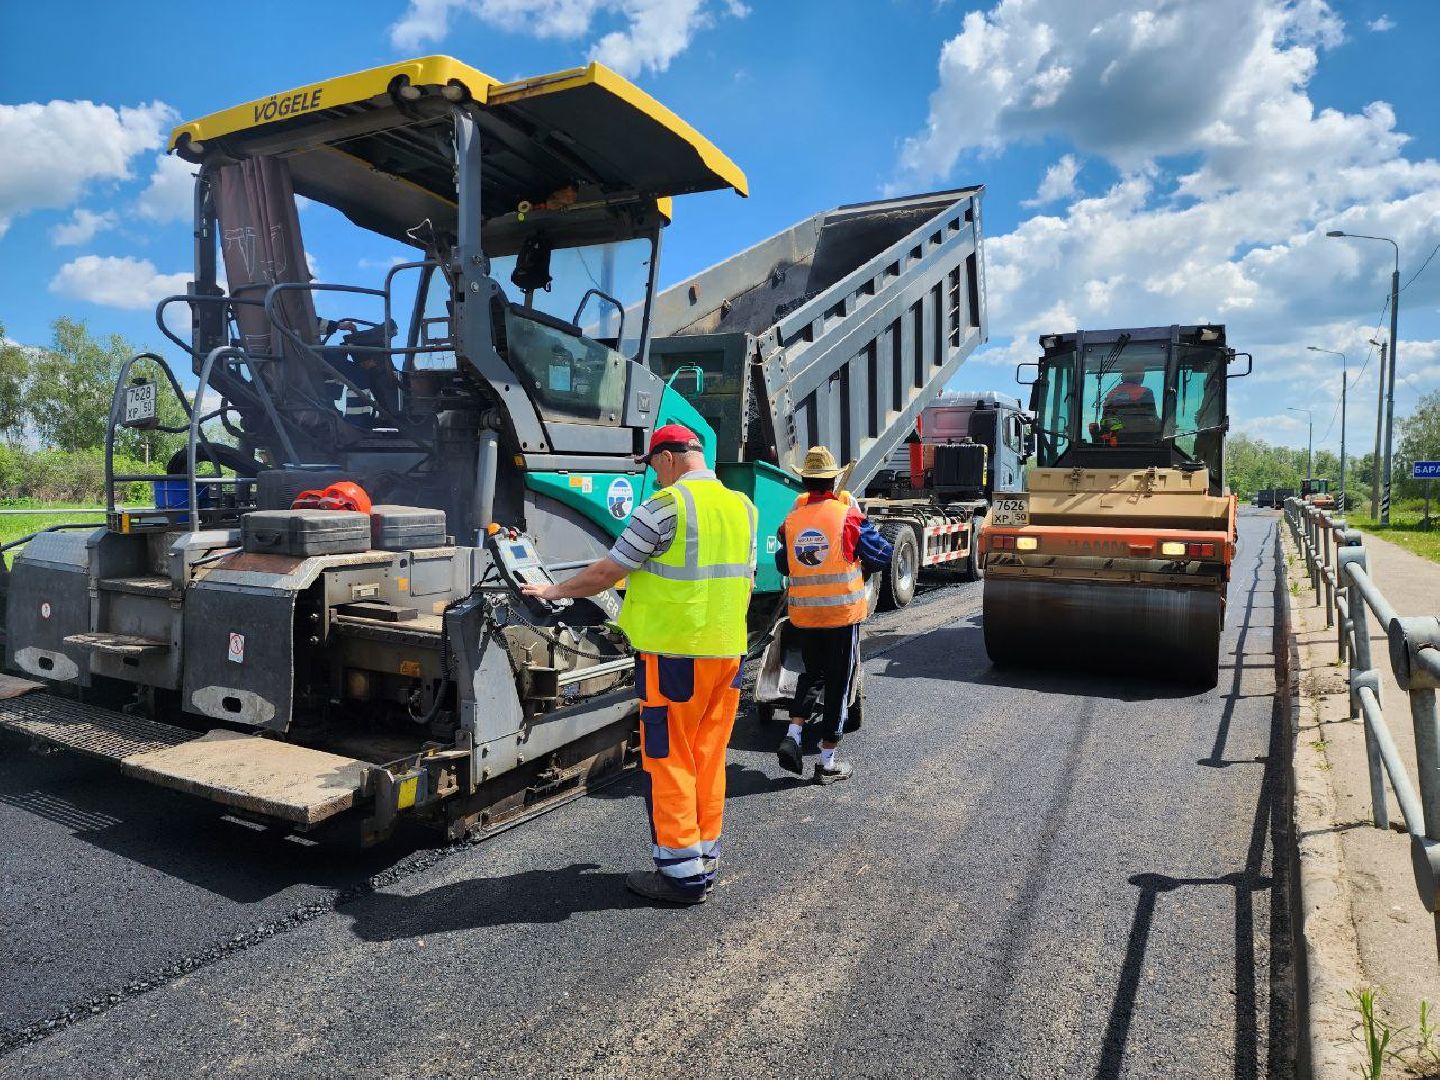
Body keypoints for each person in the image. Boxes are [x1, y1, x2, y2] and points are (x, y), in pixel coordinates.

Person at [519, 423, 757, 905]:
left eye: (653, 466)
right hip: (728, 654)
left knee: (669, 758)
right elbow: (744, 581)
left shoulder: (666, 507)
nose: (655, 475)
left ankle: (679, 876)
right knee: (709, 757)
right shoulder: (743, 508)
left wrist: (552, 589)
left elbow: (610, 571)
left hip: (675, 658)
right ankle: (703, 858)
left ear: (667, 458)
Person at [774, 446, 893, 784]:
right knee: (839, 684)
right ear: (833, 481)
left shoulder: (791, 522)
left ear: (805, 481)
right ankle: (827, 761)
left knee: (812, 675)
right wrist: (862, 555)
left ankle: (794, 733)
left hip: (806, 616)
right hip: (841, 615)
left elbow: (784, 563)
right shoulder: (848, 517)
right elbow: (882, 554)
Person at [1092, 358, 1158, 445]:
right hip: (1142, 444)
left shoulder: (1111, 394)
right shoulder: (1145, 393)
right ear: (1141, 376)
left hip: (1114, 444)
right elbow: (1152, 419)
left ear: (1123, 375)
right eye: (1142, 373)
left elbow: (1105, 423)